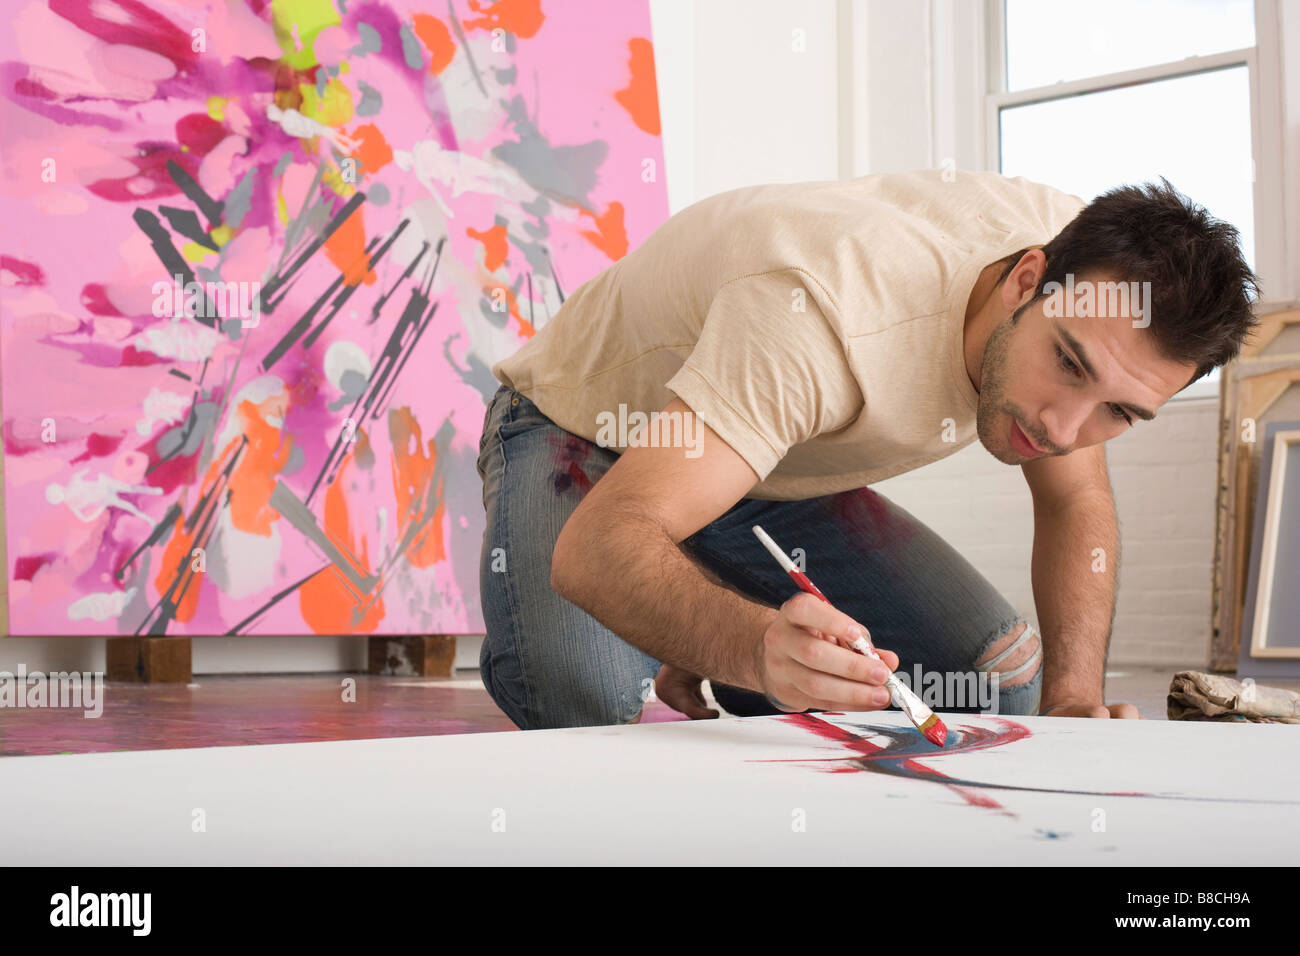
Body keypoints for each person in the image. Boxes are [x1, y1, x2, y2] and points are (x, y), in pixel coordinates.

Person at [475, 169, 1258, 730]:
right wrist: (749, 643)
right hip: (587, 430)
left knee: (996, 686)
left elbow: (1077, 498)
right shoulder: (820, 314)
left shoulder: (1103, 294)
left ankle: (715, 636)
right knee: (585, 703)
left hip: (772, 465)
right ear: (1027, 279)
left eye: (1118, 411)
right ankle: (705, 634)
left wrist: (1075, 702)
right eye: (1069, 365)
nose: (1063, 430)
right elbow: (596, 550)